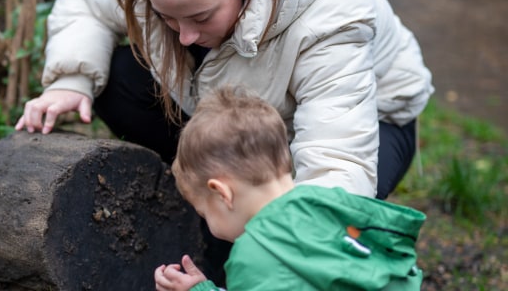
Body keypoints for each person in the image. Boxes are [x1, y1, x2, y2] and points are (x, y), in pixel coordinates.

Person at [15, 0, 433, 283]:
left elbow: (337, 161)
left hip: (373, 123)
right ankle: (202, 199)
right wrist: (70, 82)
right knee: (119, 77)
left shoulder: (330, 14)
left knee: (296, 238)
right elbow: (85, 0)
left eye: (200, 17)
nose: (184, 37)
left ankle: (230, 223)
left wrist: (267, 252)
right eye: (168, 18)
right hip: (239, 114)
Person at [154, 85, 426, 291]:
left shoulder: (257, 253)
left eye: (205, 213)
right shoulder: (331, 204)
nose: (208, 224)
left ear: (222, 193)